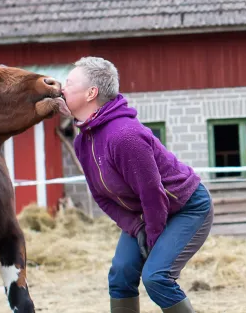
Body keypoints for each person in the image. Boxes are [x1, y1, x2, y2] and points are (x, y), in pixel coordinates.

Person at [59, 56, 214, 313]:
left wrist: (152, 237)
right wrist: (135, 226)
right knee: (120, 276)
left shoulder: (125, 136)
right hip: (145, 213)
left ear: (91, 93)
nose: (62, 89)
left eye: (69, 82)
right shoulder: (83, 141)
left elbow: (152, 193)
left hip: (187, 207)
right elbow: (101, 196)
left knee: (156, 278)